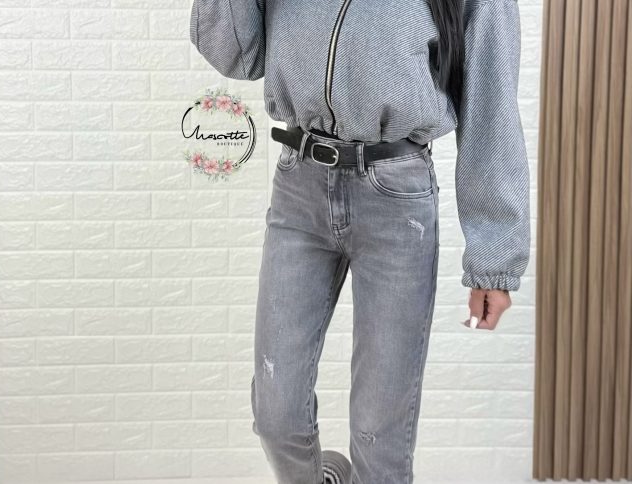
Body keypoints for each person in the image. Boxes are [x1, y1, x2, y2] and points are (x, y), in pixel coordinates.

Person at [189, 0, 530, 482]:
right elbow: (233, 53)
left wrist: (494, 259)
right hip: (299, 187)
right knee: (276, 415)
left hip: (397, 199)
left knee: (378, 437)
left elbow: (490, 103)